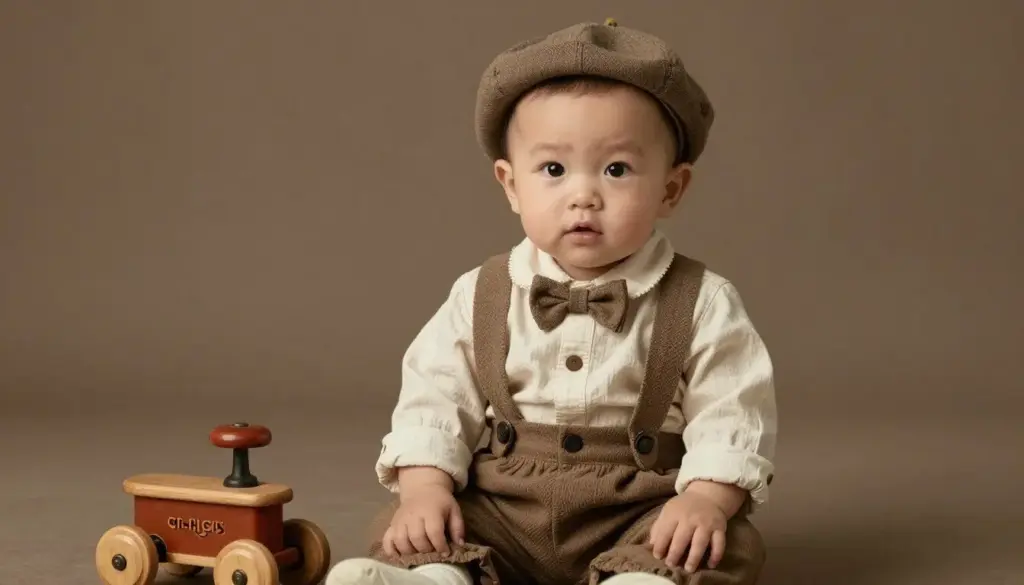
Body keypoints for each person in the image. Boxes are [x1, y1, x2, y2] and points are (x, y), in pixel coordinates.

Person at [327, 17, 778, 585]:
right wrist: (424, 489)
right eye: (554, 169)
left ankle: (640, 580)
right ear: (512, 185)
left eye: (616, 169)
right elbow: (434, 398)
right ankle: (437, 578)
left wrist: (707, 500)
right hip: (506, 504)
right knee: (413, 520)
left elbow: (732, 411)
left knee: (723, 542)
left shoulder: (703, 303)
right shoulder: (482, 294)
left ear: (671, 188)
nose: (583, 195)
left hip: (639, 506)